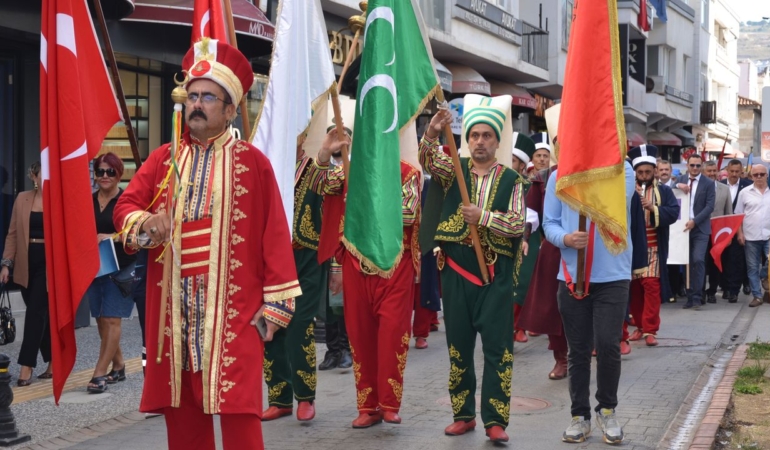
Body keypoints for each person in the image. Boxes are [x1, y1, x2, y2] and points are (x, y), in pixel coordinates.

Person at [114, 39, 300, 450]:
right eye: (192, 95)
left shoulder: (254, 164)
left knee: (241, 424)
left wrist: (275, 306)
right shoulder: (164, 159)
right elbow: (124, 206)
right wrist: (146, 221)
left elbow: (274, 235)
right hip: (173, 318)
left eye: (208, 97)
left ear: (230, 109)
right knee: (183, 427)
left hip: (233, 318)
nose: (197, 104)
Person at [421, 97, 526, 443]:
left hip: (493, 275)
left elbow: (516, 224)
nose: (480, 141)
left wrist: (482, 218)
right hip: (455, 270)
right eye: (474, 136)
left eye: (487, 136)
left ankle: (496, 420)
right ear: (467, 140)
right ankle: (463, 415)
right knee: (458, 346)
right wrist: (433, 131)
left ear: (497, 141)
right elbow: (427, 160)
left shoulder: (512, 180)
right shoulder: (455, 169)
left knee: (498, 349)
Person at [311, 128, 419, 429]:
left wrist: (365, 201)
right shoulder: (347, 171)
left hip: (395, 267)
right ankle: (367, 406)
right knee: (360, 336)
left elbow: (408, 214)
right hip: (356, 266)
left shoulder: (408, 173)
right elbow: (318, 184)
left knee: (392, 335)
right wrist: (324, 152)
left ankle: (389, 404)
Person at [544, 159, 635, 445]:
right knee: (578, 350)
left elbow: (608, 203)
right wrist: (566, 238)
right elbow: (549, 223)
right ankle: (579, 416)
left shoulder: (624, 171)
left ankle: (607, 410)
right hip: (573, 277)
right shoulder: (557, 176)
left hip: (613, 276)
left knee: (608, 345)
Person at [261, 134, 332, 422]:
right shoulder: (267, 170)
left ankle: (305, 397)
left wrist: (326, 153)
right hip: (270, 258)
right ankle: (279, 398)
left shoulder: (314, 169)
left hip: (305, 258)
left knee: (300, 325)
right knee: (269, 328)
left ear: (301, 136)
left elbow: (330, 184)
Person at [85, 153, 136, 393]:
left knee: (112, 319)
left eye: (110, 171)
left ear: (119, 174)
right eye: (100, 171)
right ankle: (119, 365)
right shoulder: (88, 200)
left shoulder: (128, 201)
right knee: (100, 320)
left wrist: (112, 237)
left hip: (122, 267)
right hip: (95, 268)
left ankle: (99, 373)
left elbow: (139, 234)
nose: (105, 176)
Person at [0, 162, 52, 386]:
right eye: (43, 174)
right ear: (33, 176)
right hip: (24, 261)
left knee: (35, 312)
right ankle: (53, 361)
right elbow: (12, 234)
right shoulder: (22, 198)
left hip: (49, 263)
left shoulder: (58, 200)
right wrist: (6, 264)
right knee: (40, 314)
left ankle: (26, 366)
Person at [625, 146, 679, 347]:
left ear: (654, 171)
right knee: (635, 289)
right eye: (640, 172)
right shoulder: (627, 190)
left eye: (648, 172)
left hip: (654, 247)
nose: (644, 175)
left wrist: (653, 208)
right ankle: (639, 326)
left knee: (651, 287)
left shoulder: (664, 191)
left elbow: (673, 212)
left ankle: (650, 329)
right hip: (631, 248)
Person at [318, 128, 353, 370]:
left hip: (347, 240)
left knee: (343, 301)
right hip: (326, 236)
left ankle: (347, 349)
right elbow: (323, 186)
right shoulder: (326, 169)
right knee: (327, 301)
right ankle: (332, 349)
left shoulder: (355, 168)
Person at [675, 154, 715, 310]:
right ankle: (689, 296)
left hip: (700, 228)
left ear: (702, 166)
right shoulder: (680, 180)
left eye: (698, 165)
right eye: (692, 165)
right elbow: (667, 191)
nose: (695, 168)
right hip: (683, 228)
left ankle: (698, 296)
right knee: (687, 262)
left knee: (698, 260)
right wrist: (679, 186)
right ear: (687, 166)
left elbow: (709, 207)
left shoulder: (708, 183)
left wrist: (695, 221)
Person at [735, 164, 770, 308]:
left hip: (768, 235)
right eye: (756, 175)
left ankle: (764, 276)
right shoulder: (744, 193)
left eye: (762, 174)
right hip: (750, 236)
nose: (759, 177)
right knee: (752, 267)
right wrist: (740, 234)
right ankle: (757, 296)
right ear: (751, 176)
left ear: (767, 175)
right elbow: (738, 216)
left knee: (768, 265)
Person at [721, 159, 752, 302]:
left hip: (740, 229)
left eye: (737, 171)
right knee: (724, 259)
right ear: (727, 170)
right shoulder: (719, 186)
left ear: (741, 172)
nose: (734, 174)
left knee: (736, 260)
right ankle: (725, 287)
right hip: (722, 229)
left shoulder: (747, 186)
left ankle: (733, 290)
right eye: (731, 171)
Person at [703, 161, 733, 304]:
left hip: (718, 233)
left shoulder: (724, 189)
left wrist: (729, 235)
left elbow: (729, 212)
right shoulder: (698, 188)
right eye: (709, 171)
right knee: (701, 262)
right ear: (704, 172)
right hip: (701, 231)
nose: (712, 173)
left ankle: (712, 291)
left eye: (714, 170)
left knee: (715, 263)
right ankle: (700, 291)